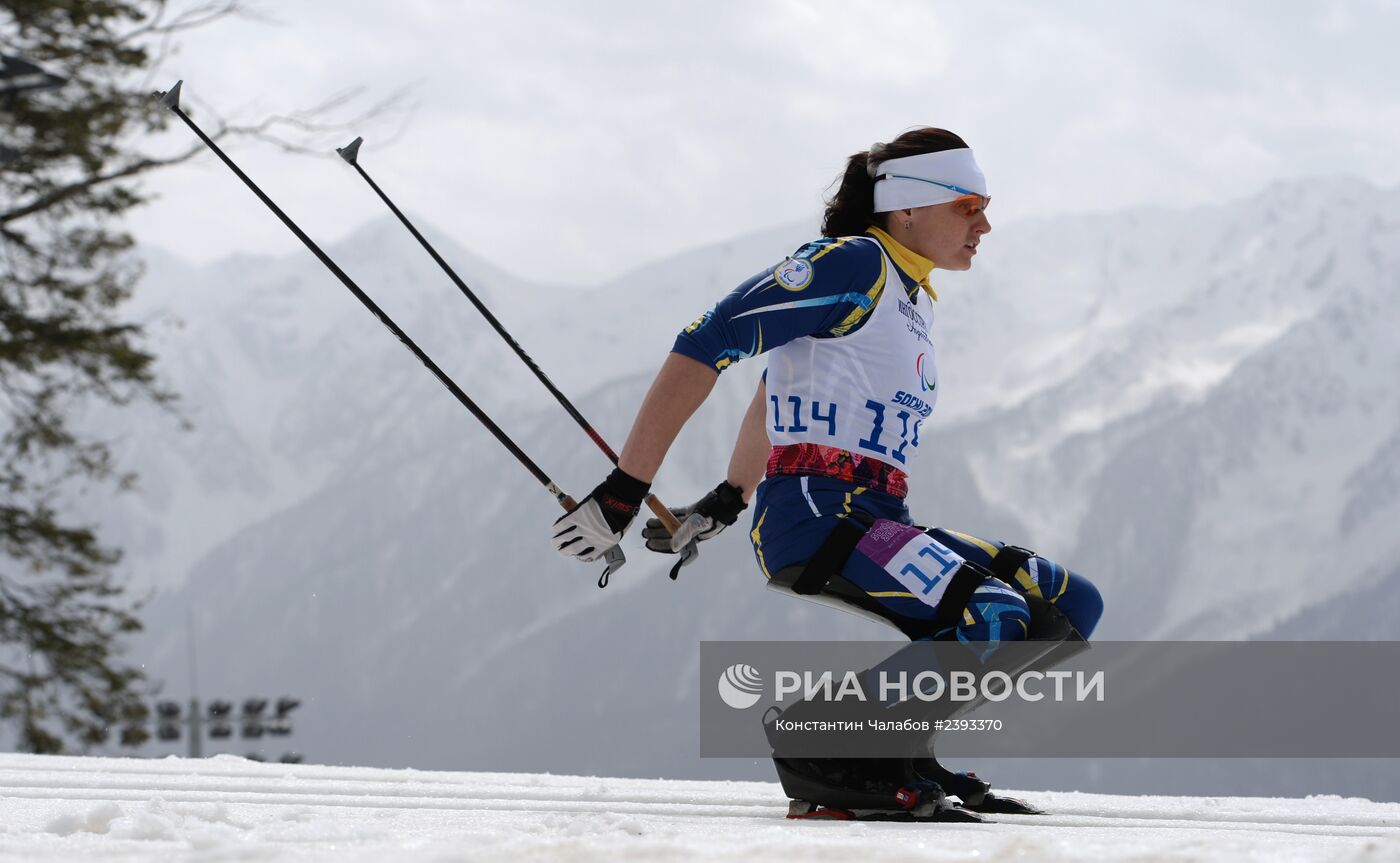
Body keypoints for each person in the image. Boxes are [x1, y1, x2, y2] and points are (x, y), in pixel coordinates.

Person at [550, 127, 1103, 821]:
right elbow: (709, 337)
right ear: (907, 208)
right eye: (968, 206)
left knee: (1069, 603)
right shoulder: (853, 264)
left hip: (873, 515)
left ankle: (897, 745)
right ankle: (825, 739)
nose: (985, 224)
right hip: (818, 514)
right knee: (994, 613)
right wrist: (625, 489)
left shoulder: (911, 294)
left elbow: (774, 388)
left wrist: (726, 496)